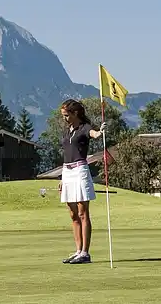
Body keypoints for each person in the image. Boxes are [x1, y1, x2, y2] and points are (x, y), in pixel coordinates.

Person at [57, 99, 106, 264]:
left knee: (83, 212)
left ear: (75, 113)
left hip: (80, 171)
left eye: (66, 115)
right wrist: (62, 179)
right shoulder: (67, 131)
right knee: (72, 214)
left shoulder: (84, 128)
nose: (64, 118)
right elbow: (65, 154)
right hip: (67, 171)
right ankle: (78, 251)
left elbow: (94, 134)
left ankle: (85, 253)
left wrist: (100, 133)